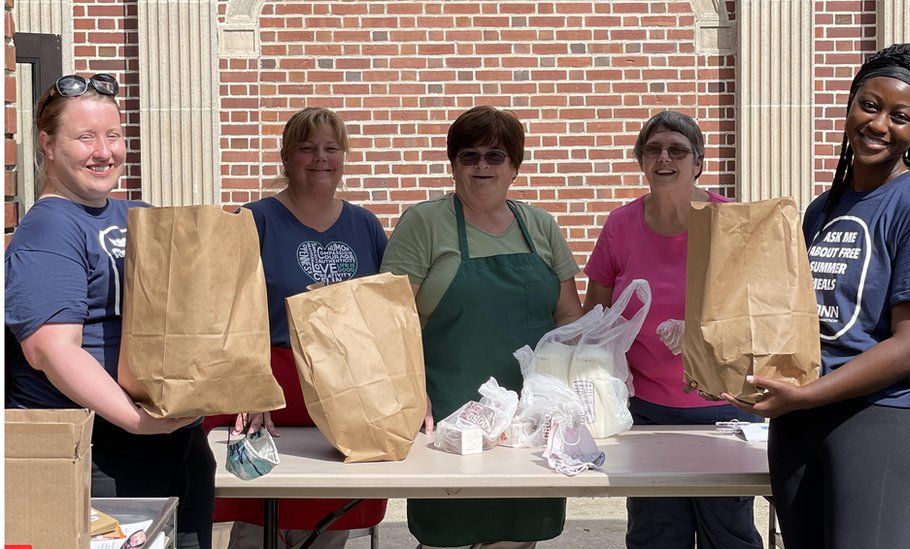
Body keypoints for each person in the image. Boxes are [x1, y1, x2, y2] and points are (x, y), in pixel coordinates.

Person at [723, 43, 910, 549]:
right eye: (869, 105)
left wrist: (807, 395)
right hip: (801, 424)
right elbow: (796, 318)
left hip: (875, 425)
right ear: (850, 104)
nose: (878, 124)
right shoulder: (820, 210)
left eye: (900, 116)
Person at [4, 74, 214, 548]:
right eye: (85, 137)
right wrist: (137, 421)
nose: (104, 152)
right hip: (99, 453)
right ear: (48, 145)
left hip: (173, 445)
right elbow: (51, 350)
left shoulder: (136, 215)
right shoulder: (50, 229)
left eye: (113, 135)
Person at [382, 105, 583, 548]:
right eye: (469, 156)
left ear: (515, 166)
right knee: (451, 533)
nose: (482, 166)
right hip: (452, 416)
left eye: (495, 156)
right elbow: (391, 322)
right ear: (453, 165)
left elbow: (569, 316)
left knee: (520, 532)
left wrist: (566, 396)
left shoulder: (541, 227)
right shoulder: (424, 224)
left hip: (529, 419)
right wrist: (413, 399)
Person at [204, 107, 389, 549]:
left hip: (342, 402)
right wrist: (248, 389)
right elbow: (221, 315)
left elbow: (383, 318)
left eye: (330, 148)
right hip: (268, 400)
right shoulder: (252, 220)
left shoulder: (364, 225)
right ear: (285, 158)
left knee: (329, 523)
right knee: (260, 524)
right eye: (307, 148)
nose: (320, 158)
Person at [583, 110, 764, 549]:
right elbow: (596, 314)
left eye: (677, 150)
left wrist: (702, 331)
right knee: (655, 534)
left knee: (728, 534)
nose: (664, 158)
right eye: (653, 149)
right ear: (641, 161)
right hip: (646, 411)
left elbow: (761, 313)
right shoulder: (620, 225)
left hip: (720, 408)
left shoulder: (728, 221)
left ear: (698, 163)